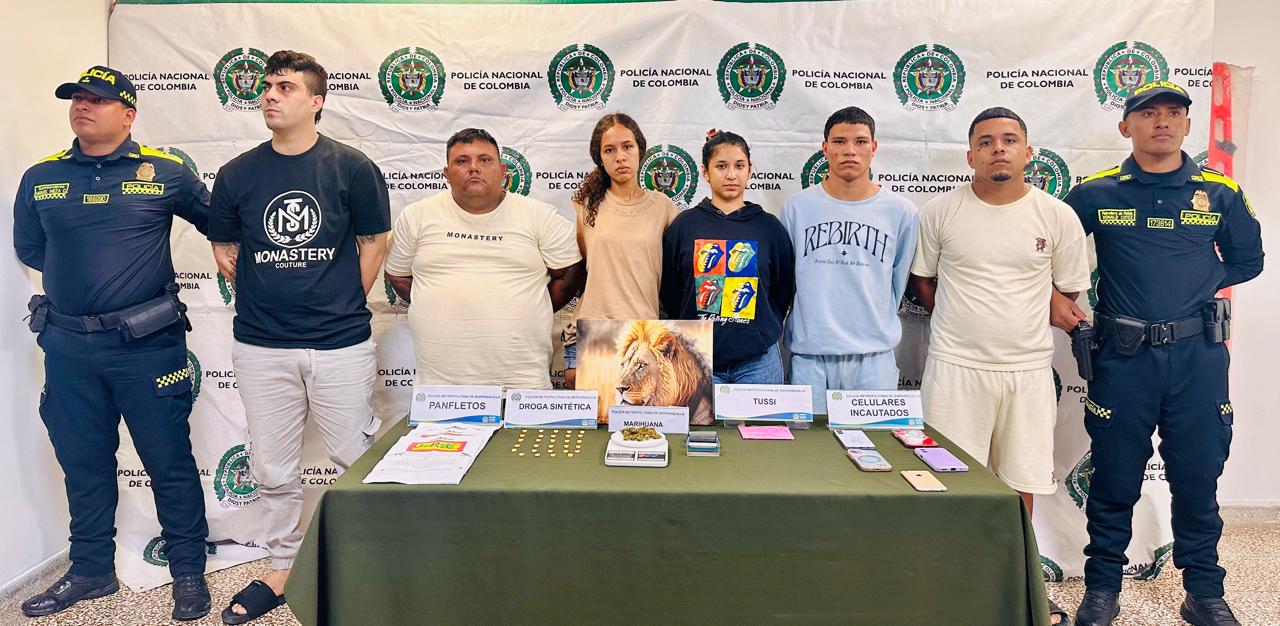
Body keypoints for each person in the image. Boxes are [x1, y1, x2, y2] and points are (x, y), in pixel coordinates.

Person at [13, 66, 212, 620]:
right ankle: (92, 571)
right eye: (77, 97)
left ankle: (188, 573)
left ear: (127, 114)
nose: (83, 105)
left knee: (168, 461)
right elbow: (31, 250)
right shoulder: (40, 178)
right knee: (84, 463)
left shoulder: (165, 173)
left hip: (147, 346)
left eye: (98, 99)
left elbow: (221, 223)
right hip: (69, 347)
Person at [1061, 82, 1263, 626]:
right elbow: (1048, 254)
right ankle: (1102, 589)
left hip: (1198, 359)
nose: (1162, 122)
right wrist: (1062, 300)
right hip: (1123, 360)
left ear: (1187, 125)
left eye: (1174, 112)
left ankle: (1204, 593)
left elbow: (1249, 259)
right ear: (1125, 127)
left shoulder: (1220, 192)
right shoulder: (1094, 193)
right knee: (1114, 480)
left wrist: (1197, 287)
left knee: (1197, 479)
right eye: (1147, 114)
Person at [208, 50, 390, 624]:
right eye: (266, 87)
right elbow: (225, 253)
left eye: (284, 87)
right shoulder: (238, 174)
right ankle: (282, 566)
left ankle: (369, 560)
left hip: (340, 344)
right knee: (273, 467)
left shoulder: (351, 167)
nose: (269, 95)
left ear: (316, 101)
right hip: (262, 346)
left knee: (353, 454)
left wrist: (339, 304)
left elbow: (375, 244)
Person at [908, 107, 1090, 626]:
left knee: (1018, 484)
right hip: (954, 367)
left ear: (1028, 153)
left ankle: (1016, 587)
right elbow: (924, 282)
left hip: (1028, 371)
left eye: (1010, 140)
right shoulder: (941, 211)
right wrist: (965, 320)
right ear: (971, 155)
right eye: (986, 142)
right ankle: (948, 586)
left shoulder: (1056, 216)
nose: (998, 148)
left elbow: (1068, 290)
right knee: (946, 479)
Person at [384, 128, 584, 389]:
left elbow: (569, 276)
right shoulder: (416, 216)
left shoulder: (539, 216)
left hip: (522, 383)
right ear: (446, 174)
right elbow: (397, 274)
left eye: (484, 160)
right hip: (440, 387)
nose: (474, 168)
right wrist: (436, 300)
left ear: (502, 171)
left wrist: (528, 306)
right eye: (462, 161)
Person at [781, 106, 918, 411]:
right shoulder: (797, 208)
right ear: (825, 148)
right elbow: (786, 282)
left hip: (873, 357)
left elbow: (898, 280)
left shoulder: (900, 211)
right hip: (810, 355)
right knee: (808, 456)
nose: (850, 151)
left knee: (873, 455)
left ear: (874, 147)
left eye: (860, 141)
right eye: (840, 142)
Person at [660, 130, 795, 392]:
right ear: (705, 172)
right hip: (698, 360)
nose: (731, 175)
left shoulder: (769, 228)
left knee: (759, 434)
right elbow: (671, 290)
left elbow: (782, 291)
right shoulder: (685, 225)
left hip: (758, 363)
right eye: (721, 166)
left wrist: (757, 333)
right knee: (696, 433)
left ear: (750, 170)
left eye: (739, 166)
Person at [562, 113, 679, 390]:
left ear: (640, 150)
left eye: (627, 147)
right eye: (609, 150)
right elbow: (579, 269)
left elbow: (677, 277)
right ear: (600, 158)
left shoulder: (663, 207)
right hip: (590, 337)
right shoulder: (585, 205)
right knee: (588, 434)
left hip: (642, 341)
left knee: (642, 432)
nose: (620, 157)